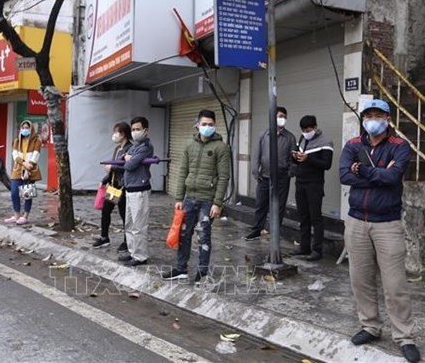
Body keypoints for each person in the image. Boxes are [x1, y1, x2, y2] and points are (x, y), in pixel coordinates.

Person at [339, 99, 420, 363]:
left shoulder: (400, 146)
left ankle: (404, 336)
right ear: (363, 119)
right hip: (356, 222)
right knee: (360, 280)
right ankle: (370, 326)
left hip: (387, 223)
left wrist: (362, 170)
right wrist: (376, 174)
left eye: (379, 115)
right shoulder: (353, 145)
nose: (374, 119)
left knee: (395, 284)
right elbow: (343, 175)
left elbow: (393, 178)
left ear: (388, 118)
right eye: (369, 115)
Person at [162, 110, 231, 282]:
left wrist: (218, 203)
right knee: (184, 234)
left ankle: (202, 272)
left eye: (211, 124)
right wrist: (179, 199)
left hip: (207, 200)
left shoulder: (221, 148)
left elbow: (224, 177)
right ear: (197, 125)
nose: (207, 127)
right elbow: (182, 171)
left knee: (203, 235)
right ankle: (181, 268)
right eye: (204, 124)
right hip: (189, 198)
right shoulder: (189, 145)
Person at [245, 106, 297, 241]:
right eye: (280, 116)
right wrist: (256, 172)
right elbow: (257, 154)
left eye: (284, 117)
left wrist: (291, 172)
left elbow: (293, 157)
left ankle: (275, 232)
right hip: (265, 176)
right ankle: (257, 229)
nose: (282, 119)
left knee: (279, 207)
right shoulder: (264, 135)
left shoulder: (290, 137)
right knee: (261, 204)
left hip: (282, 177)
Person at [291, 115, 333, 261]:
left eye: (308, 129)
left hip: (314, 184)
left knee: (316, 217)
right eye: (303, 129)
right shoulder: (302, 139)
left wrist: (308, 159)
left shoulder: (326, 142)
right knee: (303, 217)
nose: (305, 132)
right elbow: (297, 159)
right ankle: (304, 247)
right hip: (300, 182)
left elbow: (326, 164)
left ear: (315, 127)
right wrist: (294, 156)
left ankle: (317, 250)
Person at [118, 116, 154, 267]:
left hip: (140, 190)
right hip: (130, 189)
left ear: (145, 130)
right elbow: (122, 158)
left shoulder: (146, 147)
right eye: (133, 129)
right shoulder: (134, 147)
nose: (135, 132)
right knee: (129, 224)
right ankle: (133, 252)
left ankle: (140, 256)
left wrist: (128, 159)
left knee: (139, 225)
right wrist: (127, 157)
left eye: (138, 129)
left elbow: (130, 165)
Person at [93, 122, 132, 251]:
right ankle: (104, 237)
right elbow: (113, 169)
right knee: (105, 211)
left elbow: (127, 167)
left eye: (116, 132)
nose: (114, 135)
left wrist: (112, 167)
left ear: (124, 134)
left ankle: (127, 241)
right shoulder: (117, 149)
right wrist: (105, 180)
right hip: (113, 186)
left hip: (123, 187)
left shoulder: (130, 149)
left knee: (124, 215)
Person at [4, 120, 42, 225]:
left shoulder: (36, 141)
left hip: (31, 170)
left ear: (31, 130)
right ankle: (16, 214)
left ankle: (25, 215)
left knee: (27, 194)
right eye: (23, 128)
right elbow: (15, 155)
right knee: (14, 192)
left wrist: (28, 168)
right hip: (18, 169)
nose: (25, 130)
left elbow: (35, 156)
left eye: (27, 128)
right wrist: (24, 163)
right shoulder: (17, 141)